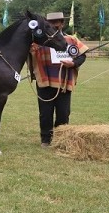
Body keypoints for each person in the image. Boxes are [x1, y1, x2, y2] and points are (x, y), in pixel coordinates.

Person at [28, 11, 88, 148]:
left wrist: (73, 64)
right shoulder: (40, 41)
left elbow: (82, 55)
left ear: (62, 23)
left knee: (63, 113)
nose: (54, 25)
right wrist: (30, 50)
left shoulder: (71, 40)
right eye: (51, 23)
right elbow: (29, 55)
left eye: (57, 22)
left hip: (64, 81)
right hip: (45, 80)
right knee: (45, 113)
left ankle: (61, 139)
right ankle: (45, 140)